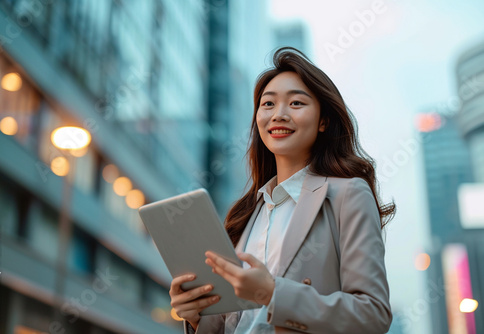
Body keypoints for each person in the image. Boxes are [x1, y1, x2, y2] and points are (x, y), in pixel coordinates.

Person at [170, 47, 396, 334]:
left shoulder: (348, 195)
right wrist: (196, 316)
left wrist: (273, 293)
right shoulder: (245, 214)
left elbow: (373, 315)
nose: (279, 115)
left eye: (296, 103)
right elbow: (236, 323)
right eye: (267, 104)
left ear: (323, 121)